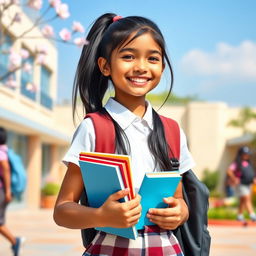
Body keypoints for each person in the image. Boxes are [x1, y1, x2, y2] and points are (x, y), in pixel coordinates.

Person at [54, 13, 196, 256]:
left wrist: (179, 213)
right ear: (105, 66)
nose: (141, 66)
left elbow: (180, 200)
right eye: (128, 56)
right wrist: (101, 215)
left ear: (162, 66)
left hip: (165, 248)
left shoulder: (172, 131)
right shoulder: (94, 128)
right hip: (110, 248)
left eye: (153, 58)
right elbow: (62, 211)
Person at [0, 127, 24, 256]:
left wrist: (8, 191)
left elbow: (6, 170)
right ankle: (15, 242)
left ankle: (15, 241)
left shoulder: (1, 152)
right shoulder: (6, 150)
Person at [227, 146, 256, 222]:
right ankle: (252, 215)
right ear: (240, 154)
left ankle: (239, 215)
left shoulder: (248, 163)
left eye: (247, 154)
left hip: (248, 184)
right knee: (246, 198)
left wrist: (253, 179)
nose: (246, 155)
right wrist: (234, 178)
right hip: (241, 184)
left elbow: (251, 173)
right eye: (244, 154)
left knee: (243, 200)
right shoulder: (236, 163)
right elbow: (229, 171)